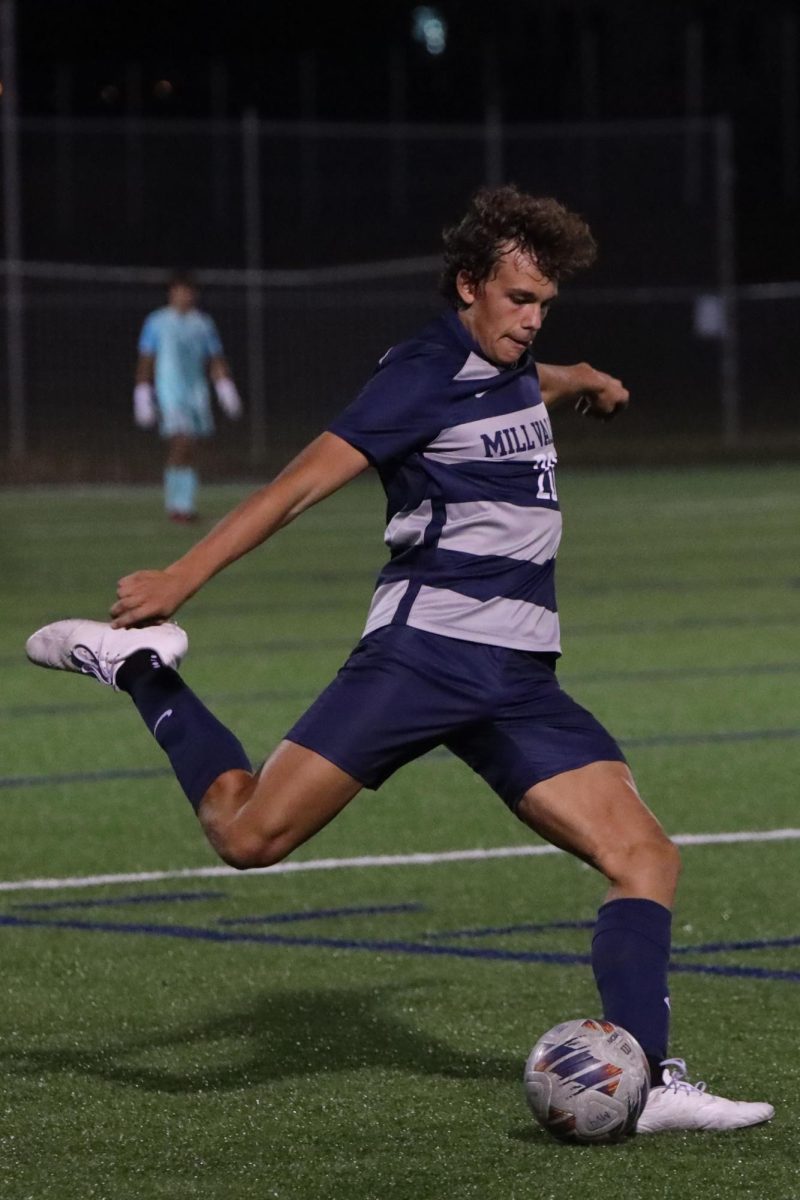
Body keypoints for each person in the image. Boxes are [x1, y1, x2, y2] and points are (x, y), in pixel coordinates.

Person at [27, 184, 772, 1135]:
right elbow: (297, 487)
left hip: (519, 681)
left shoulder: (516, 357)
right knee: (247, 837)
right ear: (469, 287)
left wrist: (584, 377)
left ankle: (651, 1079)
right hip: (423, 657)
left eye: (546, 305)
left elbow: (527, 382)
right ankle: (141, 668)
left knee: (646, 857)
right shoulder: (419, 373)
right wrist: (182, 575)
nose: (531, 321)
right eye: (518, 302)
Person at [133, 271, 243, 522]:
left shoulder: (202, 323)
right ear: (172, 293)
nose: (184, 296)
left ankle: (185, 503)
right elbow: (147, 359)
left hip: (197, 393)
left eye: (188, 291)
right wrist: (142, 392)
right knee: (180, 442)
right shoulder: (157, 322)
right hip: (169, 392)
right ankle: (177, 505)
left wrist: (225, 388)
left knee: (191, 447)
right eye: (179, 290)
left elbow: (214, 358)